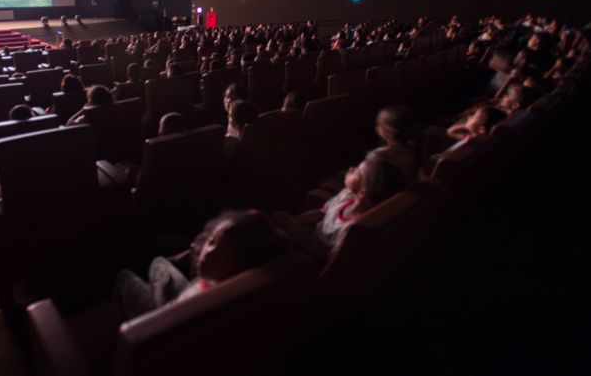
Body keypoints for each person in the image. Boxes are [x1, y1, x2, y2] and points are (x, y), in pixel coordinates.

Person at [113, 210, 288, 319]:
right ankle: (173, 259)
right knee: (159, 262)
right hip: (196, 292)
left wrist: (160, 291)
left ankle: (113, 318)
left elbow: (163, 323)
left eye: (225, 255)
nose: (209, 252)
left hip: (162, 316)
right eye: (212, 241)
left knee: (124, 275)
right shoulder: (236, 287)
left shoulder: (200, 301)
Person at [274, 152, 406, 262]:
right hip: (309, 232)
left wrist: (292, 233)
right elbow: (322, 213)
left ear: (362, 192)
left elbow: (324, 260)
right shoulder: (348, 194)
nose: (350, 168)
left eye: (357, 171)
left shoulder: (350, 231)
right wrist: (294, 221)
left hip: (309, 253)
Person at [370, 106, 421, 186]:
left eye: (378, 124)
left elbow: (369, 186)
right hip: (406, 194)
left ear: (385, 131)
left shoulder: (377, 156)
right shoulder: (414, 148)